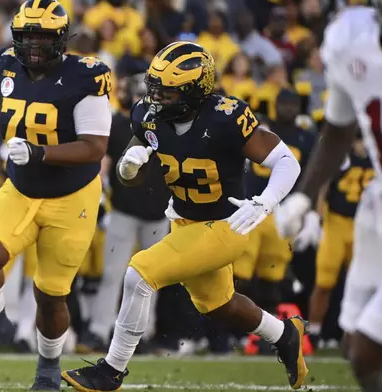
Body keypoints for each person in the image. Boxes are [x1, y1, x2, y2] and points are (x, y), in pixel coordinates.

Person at [61, 41, 307, 391]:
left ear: (195, 92)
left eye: (169, 93)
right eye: (155, 89)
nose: (158, 99)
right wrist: (130, 168)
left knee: (139, 274)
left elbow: (287, 161)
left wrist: (265, 202)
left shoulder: (226, 117)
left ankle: (110, 371)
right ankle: (284, 334)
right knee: (219, 304)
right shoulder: (148, 113)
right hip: (184, 221)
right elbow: (134, 166)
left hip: (227, 225)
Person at [0, 0, 112, 389]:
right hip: (21, 188)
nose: (33, 44)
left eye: (43, 37)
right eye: (28, 35)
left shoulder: (86, 75)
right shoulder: (5, 65)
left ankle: (48, 366)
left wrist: (38, 152)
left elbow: (95, 147)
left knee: (50, 295)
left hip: (72, 196)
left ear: (61, 39)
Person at [276, 4, 382, 391]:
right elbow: (338, 130)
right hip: (376, 205)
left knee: (370, 347)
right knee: (355, 347)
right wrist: (303, 199)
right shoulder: (348, 38)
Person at [77, 73, 169, 354]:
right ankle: (100, 329)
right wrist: (100, 201)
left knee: (151, 279)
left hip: (158, 213)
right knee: (113, 275)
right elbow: (102, 166)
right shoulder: (118, 124)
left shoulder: (168, 127)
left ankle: (144, 332)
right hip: (123, 211)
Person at [233, 89, 318, 318]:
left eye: (292, 105)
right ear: (275, 105)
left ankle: (265, 332)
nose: (288, 109)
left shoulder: (305, 137)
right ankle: (234, 330)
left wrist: (311, 213)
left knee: (273, 276)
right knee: (240, 273)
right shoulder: (259, 129)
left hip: (281, 212)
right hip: (252, 206)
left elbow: (314, 175)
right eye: (284, 104)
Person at [307, 135, 373, 347]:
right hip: (336, 222)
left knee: (365, 285)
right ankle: (314, 333)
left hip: (364, 224)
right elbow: (325, 183)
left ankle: (358, 337)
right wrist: (317, 217)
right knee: (324, 282)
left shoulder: (375, 153)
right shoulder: (343, 153)